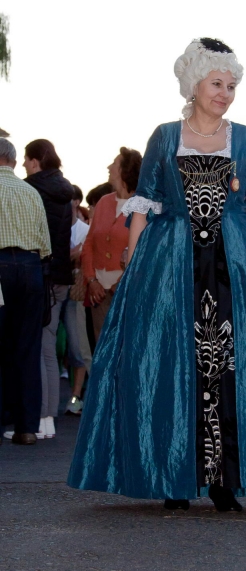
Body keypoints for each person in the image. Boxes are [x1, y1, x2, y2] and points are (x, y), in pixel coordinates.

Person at [69, 38, 246, 511]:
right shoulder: (166, 137)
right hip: (171, 265)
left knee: (234, 365)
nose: (225, 93)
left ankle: (226, 479)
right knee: (172, 364)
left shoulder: (243, 139)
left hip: (235, 267)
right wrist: (135, 266)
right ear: (194, 84)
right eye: (217, 84)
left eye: (231, 86)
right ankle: (175, 477)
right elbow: (145, 206)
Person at [0, 138, 51, 445]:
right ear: (14, 161)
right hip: (31, 268)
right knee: (28, 349)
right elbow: (45, 244)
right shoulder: (30, 191)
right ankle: (27, 428)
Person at [24, 139, 74, 439]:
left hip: (40, 274)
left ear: (35, 161)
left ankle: (40, 418)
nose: (23, 165)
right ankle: (48, 419)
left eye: (26, 159)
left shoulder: (31, 189)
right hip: (62, 275)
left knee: (38, 348)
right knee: (50, 348)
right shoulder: (65, 190)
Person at [81, 149, 142, 341]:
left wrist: (122, 282)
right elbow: (89, 244)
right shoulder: (103, 202)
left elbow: (144, 250)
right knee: (101, 344)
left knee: (126, 343)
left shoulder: (143, 205)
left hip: (128, 290)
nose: (109, 167)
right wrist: (91, 280)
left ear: (125, 170)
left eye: (114, 163)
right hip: (98, 293)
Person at [64, 185, 92, 415]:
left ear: (75, 202)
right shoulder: (57, 227)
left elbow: (85, 256)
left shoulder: (85, 229)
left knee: (77, 345)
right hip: (58, 288)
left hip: (76, 291)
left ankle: (76, 396)